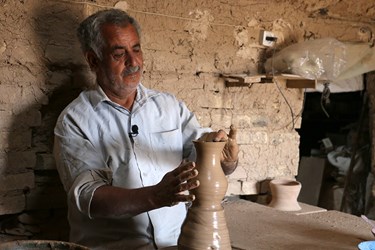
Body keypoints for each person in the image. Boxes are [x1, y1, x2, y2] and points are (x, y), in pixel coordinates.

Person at [53, 8, 239, 250]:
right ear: (93, 60)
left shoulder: (169, 106)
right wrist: (155, 195)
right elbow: (91, 198)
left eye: (137, 49)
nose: (134, 62)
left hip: (178, 243)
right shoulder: (75, 120)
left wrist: (225, 160)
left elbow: (203, 159)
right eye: (119, 54)